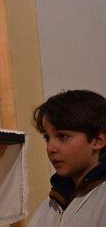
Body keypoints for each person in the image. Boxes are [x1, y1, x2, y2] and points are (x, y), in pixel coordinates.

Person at [29, 89, 106, 225]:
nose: (50, 148)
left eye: (62, 136)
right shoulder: (49, 206)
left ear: (98, 140)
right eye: (47, 137)